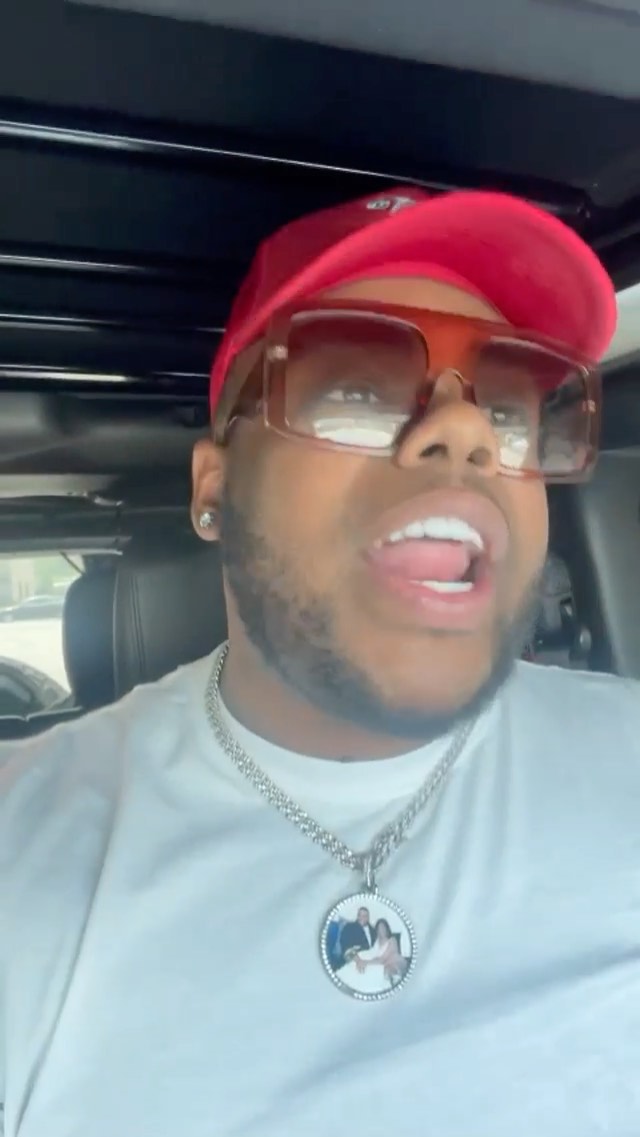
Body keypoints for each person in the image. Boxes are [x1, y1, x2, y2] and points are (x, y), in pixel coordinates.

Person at [2, 185, 640, 1137]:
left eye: (509, 410)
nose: (467, 432)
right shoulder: (27, 851)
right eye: (355, 391)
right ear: (215, 487)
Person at [339, 919, 408, 994]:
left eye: (383, 928)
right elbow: (372, 952)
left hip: (387, 961)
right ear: (377, 930)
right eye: (379, 928)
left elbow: (382, 959)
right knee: (354, 965)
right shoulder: (377, 941)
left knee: (374, 970)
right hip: (375, 960)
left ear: (387, 929)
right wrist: (360, 959)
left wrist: (365, 962)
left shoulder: (392, 940)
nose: (381, 930)